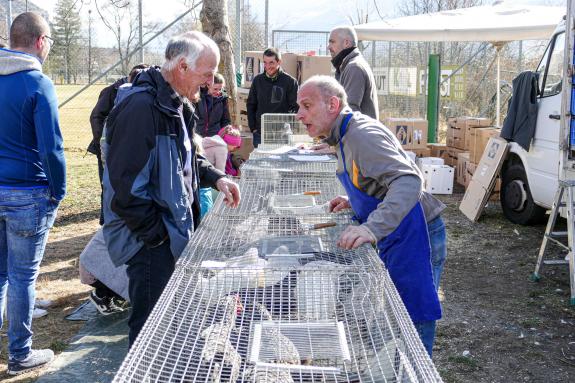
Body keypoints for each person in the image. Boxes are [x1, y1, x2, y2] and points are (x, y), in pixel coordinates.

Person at [102, 31, 241, 347]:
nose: (208, 83)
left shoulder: (177, 104)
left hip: (169, 232)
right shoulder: (141, 109)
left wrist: (217, 177)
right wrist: (158, 239)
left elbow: (187, 160)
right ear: (182, 67)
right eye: (205, 75)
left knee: (167, 323)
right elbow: (126, 190)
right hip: (150, 242)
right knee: (149, 327)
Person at [296, 76, 446, 357]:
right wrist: (354, 201)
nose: (299, 114)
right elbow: (375, 178)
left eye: (306, 105)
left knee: (414, 310)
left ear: (332, 104)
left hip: (418, 233)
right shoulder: (341, 135)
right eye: (298, 106)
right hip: (397, 233)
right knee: (398, 309)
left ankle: (416, 368)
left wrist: (371, 228)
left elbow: (408, 181)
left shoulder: (360, 134)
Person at [0, 12, 66, 374]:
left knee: (0, 275)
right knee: (22, 277)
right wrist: (60, 190)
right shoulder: (38, 83)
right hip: (28, 193)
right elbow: (52, 149)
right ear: (40, 42)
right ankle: (20, 354)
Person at [88, 63, 149, 225]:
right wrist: (106, 144)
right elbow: (96, 117)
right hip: (106, 148)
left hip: (127, 149)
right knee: (107, 185)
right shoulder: (111, 92)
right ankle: (105, 220)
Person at [247, 48, 299, 147]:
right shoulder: (257, 80)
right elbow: (251, 104)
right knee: (260, 162)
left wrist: (290, 127)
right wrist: (253, 127)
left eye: (271, 63)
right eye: (265, 63)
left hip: (282, 134)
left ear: (279, 62)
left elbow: (295, 107)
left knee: (282, 161)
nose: (267, 66)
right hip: (260, 133)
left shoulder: (290, 82)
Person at [328, 26, 379, 120]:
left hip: (359, 134)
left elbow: (349, 111)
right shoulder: (347, 66)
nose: (328, 47)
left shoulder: (354, 67)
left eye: (332, 42)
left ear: (346, 43)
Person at [195, 72, 231, 137]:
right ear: (208, 85)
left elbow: (225, 120)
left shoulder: (223, 99)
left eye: (220, 89)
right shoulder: (198, 97)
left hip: (215, 136)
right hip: (198, 135)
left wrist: (225, 132)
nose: (218, 92)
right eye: (215, 89)